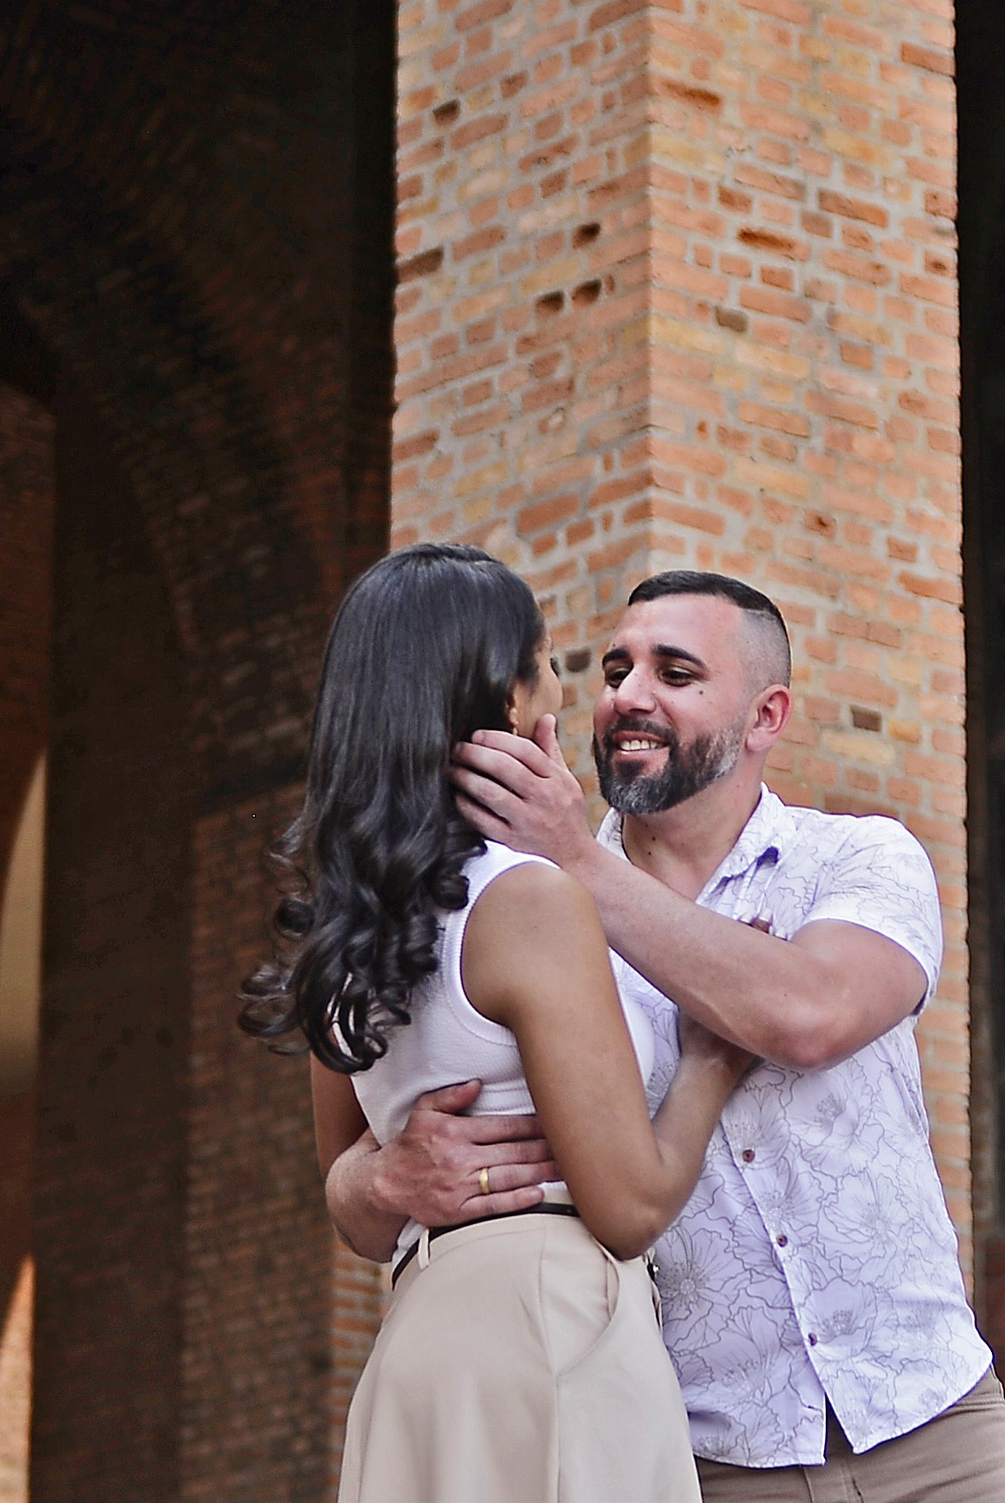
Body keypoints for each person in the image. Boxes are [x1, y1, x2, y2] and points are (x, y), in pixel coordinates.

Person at [321, 569, 1005, 1503]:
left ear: (765, 716)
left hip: (930, 1424)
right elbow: (362, 1154)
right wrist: (375, 1180)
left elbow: (808, 1016)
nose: (627, 695)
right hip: (705, 1453)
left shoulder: (856, 859)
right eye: (615, 668)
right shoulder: (525, 910)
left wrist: (578, 861)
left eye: (676, 671)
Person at [242, 544, 746, 1503]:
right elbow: (630, 1205)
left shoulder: (350, 926)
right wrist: (712, 1062)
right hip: (549, 1323)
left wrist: (382, 1176)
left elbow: (344, 1190)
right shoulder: (526, 901)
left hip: (421, 1342)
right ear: (502, 700)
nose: (558, 693)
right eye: (549, 664)